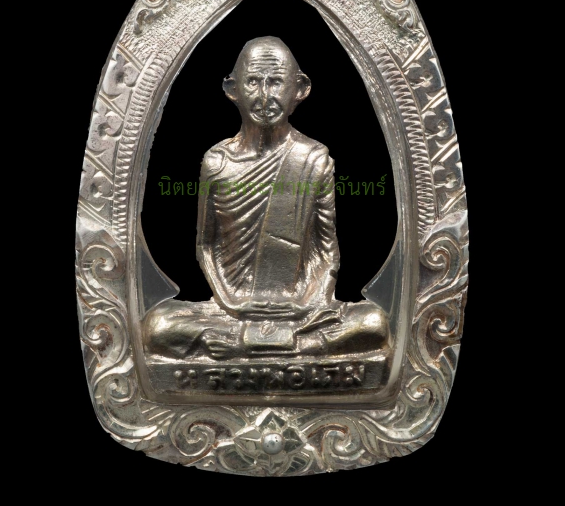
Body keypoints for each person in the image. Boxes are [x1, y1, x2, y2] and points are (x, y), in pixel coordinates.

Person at [143, 36, 389, 360]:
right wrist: (234, 302)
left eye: (275, 82)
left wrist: (307, 302)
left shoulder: (313, 159)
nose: (264, 96)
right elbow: (206, 246)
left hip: (299, 310)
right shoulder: (217, 163)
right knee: (158, 325)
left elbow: (327, 251)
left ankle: (259, 346)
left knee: (374, 323)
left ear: (299, 89)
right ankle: (285, 347)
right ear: (232, 89)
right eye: (253, 82)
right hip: (232, 309)